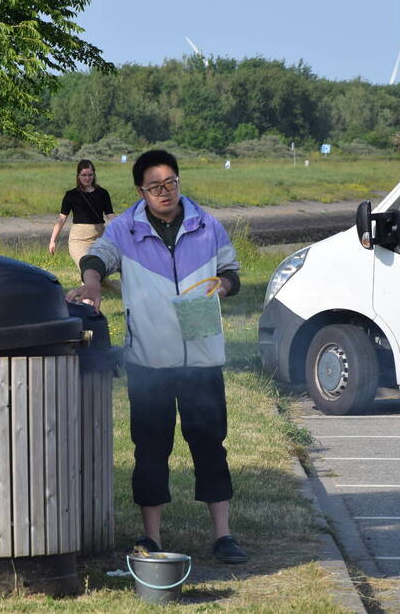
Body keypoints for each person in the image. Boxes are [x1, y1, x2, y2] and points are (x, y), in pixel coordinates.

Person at [65, 149, 248, 564]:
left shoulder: (207, 225)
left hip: (201, 356)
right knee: (150, 448)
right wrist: (91, 283)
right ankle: (151, 537)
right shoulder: (125, 229)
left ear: (179, 182)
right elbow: (96, 258)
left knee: (210, 443)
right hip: (148, 359)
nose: (164, 192)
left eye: (170, 183)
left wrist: (223, 285)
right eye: (154, 187)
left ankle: (223, 535)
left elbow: (232, 271)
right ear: (140, 191)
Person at [48, 159, 115, 271]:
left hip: (99, 239)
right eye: (84, 175)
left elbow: (110, 215)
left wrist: (124, 228)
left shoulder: (103, 193)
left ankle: (111, 283)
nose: (87, 178)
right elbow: (61, 219)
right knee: (88, 269)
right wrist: (52, 241)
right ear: (78, 176)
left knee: (100, 273)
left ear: (94, 175)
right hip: (78, 240)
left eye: (90, 175)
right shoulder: (71, 195)